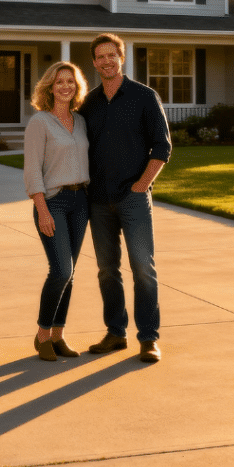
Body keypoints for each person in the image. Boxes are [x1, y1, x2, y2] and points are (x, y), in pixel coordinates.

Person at [79, 33, 170, 364]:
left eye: (111, 55)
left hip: (133, 199)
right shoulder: (88, 103)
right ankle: (116, 333)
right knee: (106, 270)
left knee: (143, 268)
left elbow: (162, 146)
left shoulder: (144, 97)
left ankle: (148, 339)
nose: (106, 61)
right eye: (99, 57)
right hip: (99, 201)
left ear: (122, 57)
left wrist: (141, 185)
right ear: (93, 62)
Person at [23, 61, 91, 362]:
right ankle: (42, 334)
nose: (66, 87)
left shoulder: (81, 121)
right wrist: (43, 209)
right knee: (61, 270)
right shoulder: (40, 123)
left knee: (70, 274)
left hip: (81, 202)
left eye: (71, 82)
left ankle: (59, 335)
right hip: (53, 202)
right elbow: (32, 171)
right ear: (50, 87)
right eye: (60, 82)